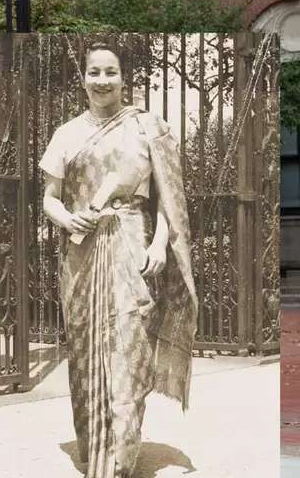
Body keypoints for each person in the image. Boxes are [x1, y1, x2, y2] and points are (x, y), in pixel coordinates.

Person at [39, 41, 197, 478]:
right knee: (85, 349)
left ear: (123, 77)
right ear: (84, 77)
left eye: (110, 72)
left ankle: (121, 459)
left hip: (132, 244)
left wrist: (160, 244)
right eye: (95, 72)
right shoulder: (66, 133)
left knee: (129, 349)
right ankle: (94, 449)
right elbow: (49, 200)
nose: (102, 80)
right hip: (81, 252)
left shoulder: (148, 128)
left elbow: (169, 199)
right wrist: (70, 220)